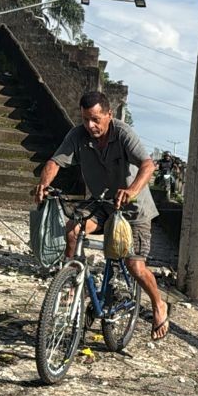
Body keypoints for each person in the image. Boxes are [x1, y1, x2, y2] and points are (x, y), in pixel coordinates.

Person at [35, 91, 169, 340]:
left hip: (132, 210)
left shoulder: (123, 133)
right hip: (102, 203)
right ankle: (73, 281)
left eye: (96, 119)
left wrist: (131, 190)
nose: (91, 125)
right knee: (74, 229)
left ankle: (158, 304)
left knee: (134, 265)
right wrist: (43, 185)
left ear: (109, 114)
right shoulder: (78, 135)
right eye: (86, 119)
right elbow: (55, 162)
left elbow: (148, 165)